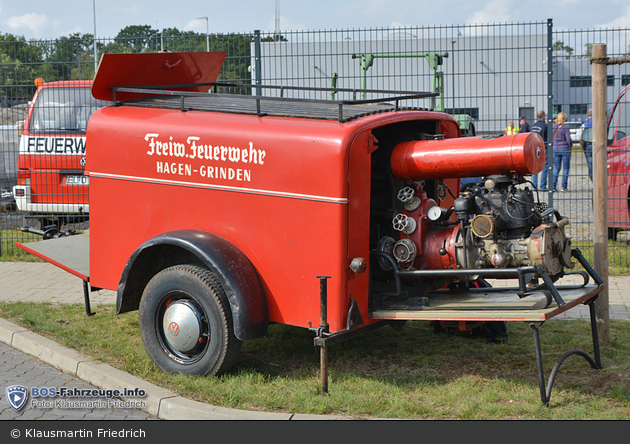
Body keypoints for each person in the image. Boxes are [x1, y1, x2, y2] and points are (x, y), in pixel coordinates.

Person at [552, 112, 573, 192]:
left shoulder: (553, 127)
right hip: (564, 148)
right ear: (564, 119)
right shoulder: (565, 127)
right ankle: (564, 187)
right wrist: (571, 144)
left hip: (555, 148)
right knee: (566, 168)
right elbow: (568, 139)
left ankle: (553, 186)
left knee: (556, 168)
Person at [530, 110, 549, 190]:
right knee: (545, 167)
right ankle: (543, 186)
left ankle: (534, 186)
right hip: (543, 148)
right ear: (544, 116)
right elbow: (548, 138)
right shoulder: (545, 126)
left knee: (534, 167)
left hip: (534, 148)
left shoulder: (533, 126)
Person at [578, 108, 593, 182]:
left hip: (588, 145)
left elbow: (580, 138)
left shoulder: (584, 124)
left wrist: (582, 145)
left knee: (590, 165)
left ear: (587, 115)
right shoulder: (599, 123)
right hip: (598, 146)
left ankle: (593, 180)